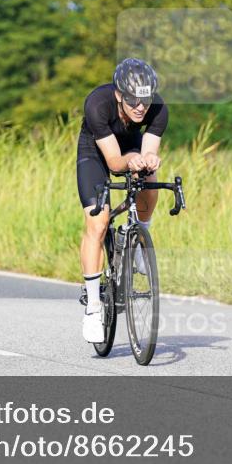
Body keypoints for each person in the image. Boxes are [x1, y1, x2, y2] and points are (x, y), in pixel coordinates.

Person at [77, 58, 167, 343]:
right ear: (118, 95)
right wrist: (133, 160)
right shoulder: (97, 104)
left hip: (129, 147)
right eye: (132, 100)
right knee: (98, 222)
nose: (140, 107)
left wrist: (149, 159)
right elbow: (115, 162)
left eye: (145, 99)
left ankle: (141, 236)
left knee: (150, 176)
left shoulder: (158, 109)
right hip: (96, 151)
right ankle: (92, 308)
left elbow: (148, 148)